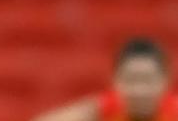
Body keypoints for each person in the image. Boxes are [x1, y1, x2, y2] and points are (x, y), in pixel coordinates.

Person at [32, 38, 178, 121]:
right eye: (131, 80)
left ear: (165, 80)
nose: (139, 90)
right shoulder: (102, 110)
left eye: (147, 80)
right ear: (115, 80)